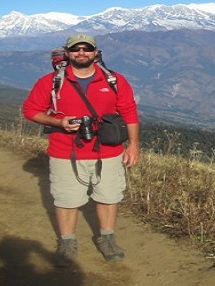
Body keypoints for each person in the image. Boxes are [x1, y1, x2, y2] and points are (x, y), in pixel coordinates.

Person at [23, 34, 140, 266]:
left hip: (108, 150)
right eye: (76, 49)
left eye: (87, 48)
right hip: (65, 152)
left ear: (96, 53)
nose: (82, 52)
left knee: (109, 197)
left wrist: (134, 144)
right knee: (67, 200)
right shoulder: (51, 82)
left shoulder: (114, 80)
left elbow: (129, 112)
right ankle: (67, 242)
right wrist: (59, 122)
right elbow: (30, 110)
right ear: (67, 53)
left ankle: (107, 238)